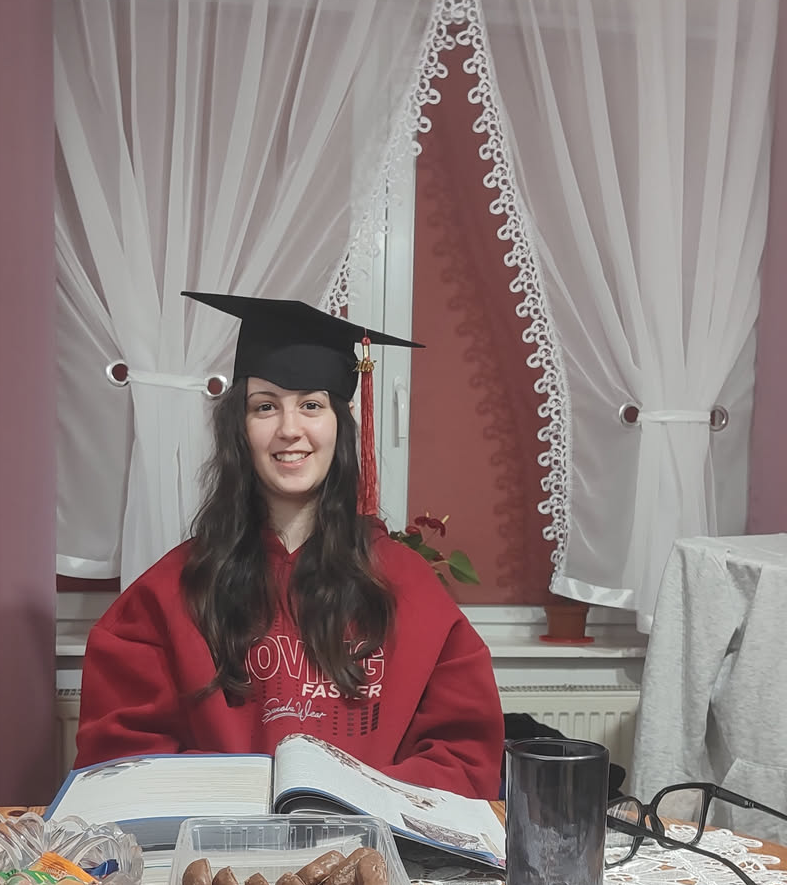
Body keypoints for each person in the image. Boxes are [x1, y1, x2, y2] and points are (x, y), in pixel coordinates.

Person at [75, 291, 504, 799]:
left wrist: (358, 802)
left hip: (365, 842)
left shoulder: (406, 586)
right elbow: (120, 762)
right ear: (240, 428)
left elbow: (463, 755)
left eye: (311, 405)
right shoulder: (170, 593)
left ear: (342, 422)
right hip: (220, 844)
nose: (289, 429)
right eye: (265, 407)